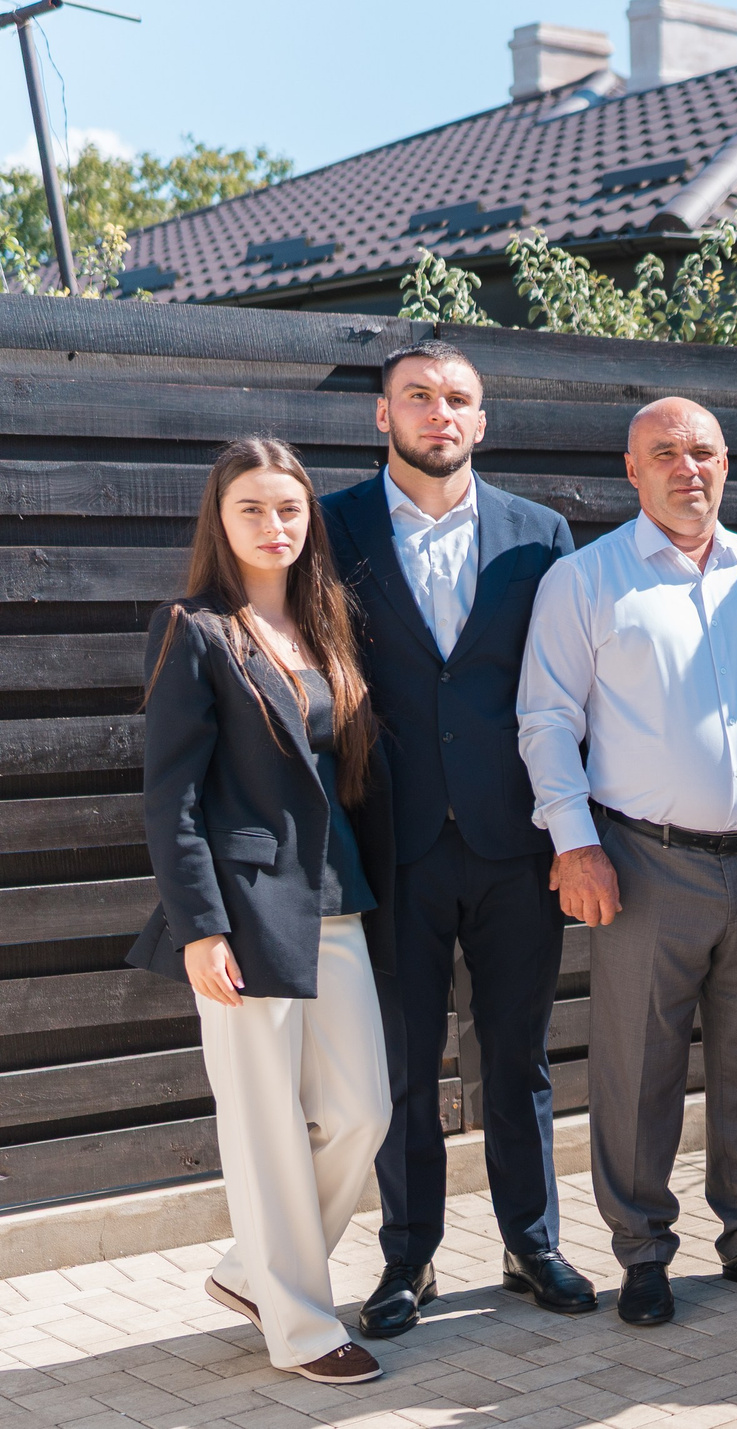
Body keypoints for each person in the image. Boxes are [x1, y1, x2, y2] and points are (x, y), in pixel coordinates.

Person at [517, 397, 737, 1326]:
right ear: (632, 469)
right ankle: (643, 1251)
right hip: (644, 860)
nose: (689, 468)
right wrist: (575, 844)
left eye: (705, 452)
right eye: (667, 453)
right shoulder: (586, 579)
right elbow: (547, 720)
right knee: (638, 1067)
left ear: (727, 464)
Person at [317, 341, 592, 1339]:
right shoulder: (330, 525)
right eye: (418, 397)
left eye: (458, 399)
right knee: (402, 1064)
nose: (440, 413)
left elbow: (569, 690)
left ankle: (532, 1241)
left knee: (516, 1056)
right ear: (381, 416)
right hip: (390, 842)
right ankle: (408, 1257)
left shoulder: (540, 532)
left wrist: (574, 829)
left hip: (514, 838)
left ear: (483, 422)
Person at [133, 437, 397, 1384]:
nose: (275, 524)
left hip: (335, 901)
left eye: (290, 508)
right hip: (243, 915)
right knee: (264, 1127)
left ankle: (256, 1270)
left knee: (363, 1110)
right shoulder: (194, 627)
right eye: (253, 507)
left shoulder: (326, 628)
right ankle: (301, 1325)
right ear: (221, 518)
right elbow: (173, 796)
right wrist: (199, 926)